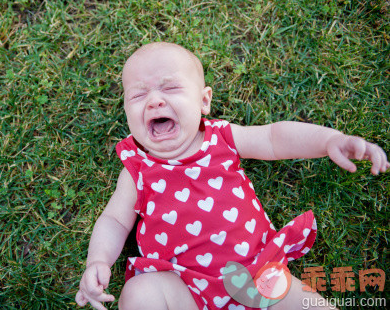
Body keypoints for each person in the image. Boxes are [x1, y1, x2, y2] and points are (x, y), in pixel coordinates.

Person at [75, 42, 389, 310]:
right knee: (139, 294)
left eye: (170, 88)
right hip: (185, 288)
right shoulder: (137, 167)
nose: (155, 100)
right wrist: (98, 261)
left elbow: (274, 138)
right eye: (138, 96)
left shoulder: (221, 137)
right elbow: (115, 220)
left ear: (204, 100)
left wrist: (329, 140)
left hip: (257, 273)